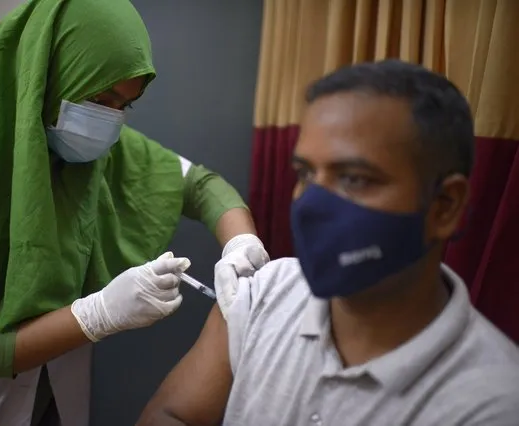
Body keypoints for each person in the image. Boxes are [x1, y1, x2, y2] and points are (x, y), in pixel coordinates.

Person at [0, 1, 268, 425]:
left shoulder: (96, 152)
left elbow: (201, 185)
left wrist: (240, 242)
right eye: (100, 99)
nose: (110, 121)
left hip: (50, 388)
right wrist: (96, 314)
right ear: (47, 76)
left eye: (126, 105)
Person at [137, 60, 519, 426]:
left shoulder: (492, 404)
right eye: (305, 173)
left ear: (444, 206)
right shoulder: (265, 294)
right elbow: (172, 415)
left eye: (353, 178)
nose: (312, 206)